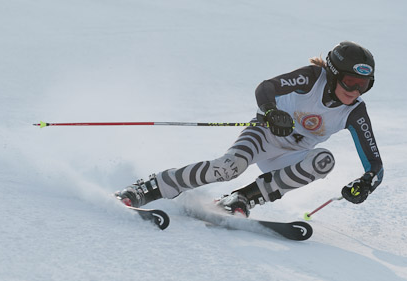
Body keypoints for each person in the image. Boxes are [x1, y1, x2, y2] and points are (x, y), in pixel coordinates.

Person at [116, 41, 384, 217]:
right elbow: (266, 87)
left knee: (324, 161)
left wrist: (366, 183)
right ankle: (148, 188)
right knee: (228, 168)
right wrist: (271, 111)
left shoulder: (354, 112)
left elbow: (375, 165)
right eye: (351, 82)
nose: (356, 91)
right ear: (335, 74)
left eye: (364, 85)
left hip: (291, 156)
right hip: (265, 134)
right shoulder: (312, 78)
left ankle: (241, 199)